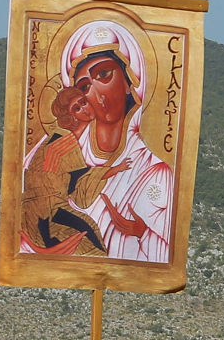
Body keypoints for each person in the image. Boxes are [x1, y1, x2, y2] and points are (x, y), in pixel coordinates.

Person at [61, 20, 173, 263]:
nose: (97, 94)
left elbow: (168, 259)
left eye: (104, 74)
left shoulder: (154, 171)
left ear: (128, 79)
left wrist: (141, 233)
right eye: (84, 87)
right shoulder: (64, 154)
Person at [20, 87, 115, 256]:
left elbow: (73, 184)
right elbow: (79, 188)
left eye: (84, 102)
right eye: (77, 108)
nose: (84, 109)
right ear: (70, 116)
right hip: (45, 212)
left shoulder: (66, 139)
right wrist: (112, 171)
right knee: (89, 236)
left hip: (45, 209)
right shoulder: (64, 141)